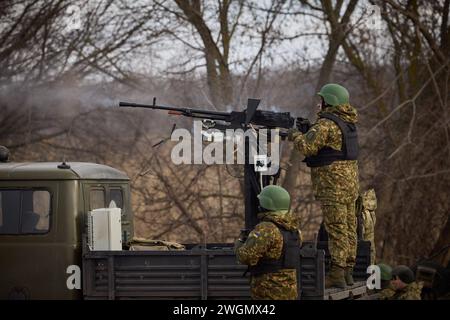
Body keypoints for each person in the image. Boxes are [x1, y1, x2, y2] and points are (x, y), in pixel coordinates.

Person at [288, 83, 359, 288]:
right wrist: (309, 130)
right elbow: (329, 145)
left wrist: (295, 135)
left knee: (336, 229)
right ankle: (347, 271)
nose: (319, 104)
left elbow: (307, 147)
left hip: (333, 186)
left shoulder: (326, 124)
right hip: (349, 186)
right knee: (348, 228)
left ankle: (337, 273)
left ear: (329, 102)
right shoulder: (348, 122)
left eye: (322, 100)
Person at [234, 185, 301, 300]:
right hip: (289, 293)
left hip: (268, 293)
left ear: (267, 204)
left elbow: (245, 257)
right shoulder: (295, 230)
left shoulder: (267, 229)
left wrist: (240, 242)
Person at [361, 188, 377, 264]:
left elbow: (361, 233)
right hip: (370, 250)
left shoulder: (365, 214)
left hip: (364, 251)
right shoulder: (372, 213)